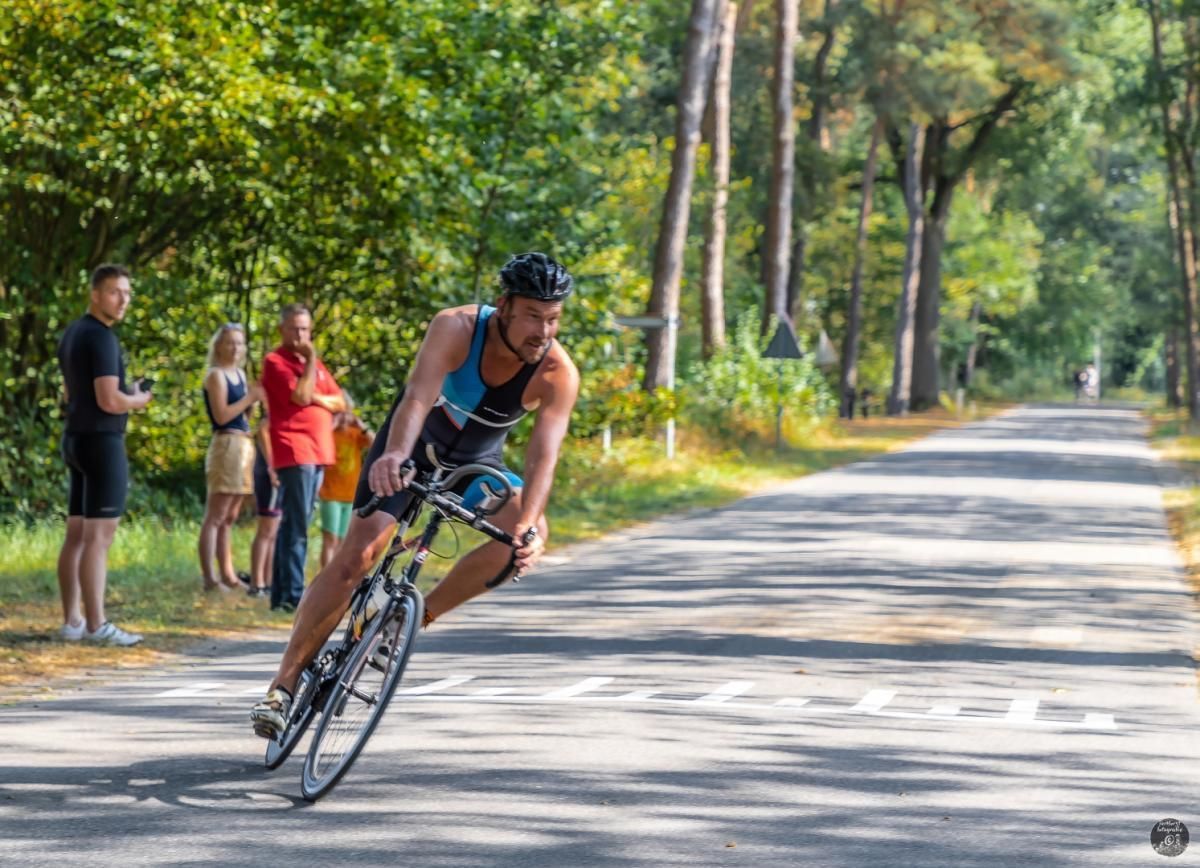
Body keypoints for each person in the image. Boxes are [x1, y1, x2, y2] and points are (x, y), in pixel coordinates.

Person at [251, 252, 580, 736]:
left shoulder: (556, 372)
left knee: (525, 535)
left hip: (473, 466)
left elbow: (542, 457)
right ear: (504, 305)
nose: (543, 331)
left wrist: (528, 521)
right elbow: (418, 398)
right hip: (410, 448)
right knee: (357, 555)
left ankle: (407, 623)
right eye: (533, 315)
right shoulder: (456, 328)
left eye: (553, 319)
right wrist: (393, 456)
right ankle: (283, 687)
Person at [55, 264, 153, 646]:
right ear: (95, 294)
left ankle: (72, 622)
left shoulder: (73, 333)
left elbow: (72, 393)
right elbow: (109, 400)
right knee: (99, 536)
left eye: (127, 293)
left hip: (76, 437)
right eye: (115, 292)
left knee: (77, 534)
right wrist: (138, 399)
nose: (123, 300)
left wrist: (123, 393)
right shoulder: (102, 338)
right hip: (101, 442)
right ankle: (97, 625)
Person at [260, 304, 346, 612]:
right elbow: (299, 395)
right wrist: (310, 363)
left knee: (295, 525)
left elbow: (340, 402)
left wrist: (316, 397)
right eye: (295, 328)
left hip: (318, 451)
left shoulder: (316, 364)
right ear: (282, 329)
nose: (301, 335)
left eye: (305, 329)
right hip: (296, 450)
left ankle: (282, 595)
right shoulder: (275, 362)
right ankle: (293, 595)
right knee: (296, 526)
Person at [197, 323, 264, 592]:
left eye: (239, 342)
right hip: (225, 444)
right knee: (216, 514)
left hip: (243, 445)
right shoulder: (216, 376)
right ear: (219, 346)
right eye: (230, 342)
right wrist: (250, 397)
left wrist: (252, 403)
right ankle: (209, 577)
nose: (235, 348)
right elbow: (223, 415)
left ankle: (228, 574)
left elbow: (244, 418)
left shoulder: (239, 374)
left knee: (230, 516)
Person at [318, 394, 375, 569]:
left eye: (345, 413)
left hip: (350, 495)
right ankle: (324, 577)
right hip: (330, 494)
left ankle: (333, 575)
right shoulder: (328, 433)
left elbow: (375, 445)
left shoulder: (355, 433)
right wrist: (331, 425)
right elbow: (318, 444)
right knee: (331, 537)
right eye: (338, 413)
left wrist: (361, 425)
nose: (343, 417)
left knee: (342, 540)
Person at [248, 415, 281, 598]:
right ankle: (257, 583)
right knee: (266, 530)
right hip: (268, 476)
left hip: (277, 475)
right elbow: (262, 430)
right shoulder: (269, 417)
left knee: (273, 532)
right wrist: (272, 466)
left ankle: (268, 583)